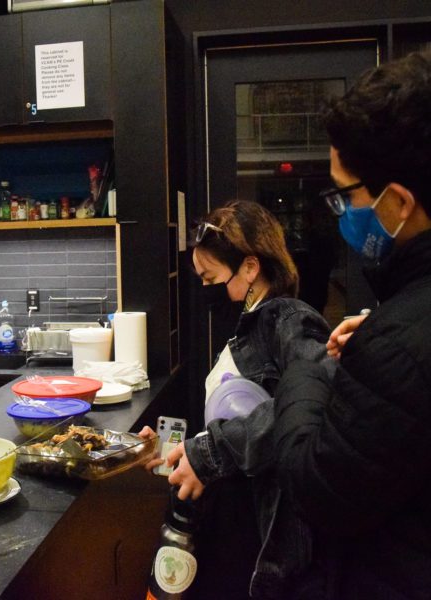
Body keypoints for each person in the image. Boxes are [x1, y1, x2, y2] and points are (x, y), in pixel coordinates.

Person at [273, 50, 431, 598]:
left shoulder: (399, 344)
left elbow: (316, 489)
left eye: (348, 194)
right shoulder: (401, 325)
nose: (343, 212)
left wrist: (306, 362)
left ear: (400, 202)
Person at [141, 200, 335, 598]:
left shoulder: (288, 319)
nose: (207, 290)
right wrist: (176, 453)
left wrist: (208, 453)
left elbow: (313, 405)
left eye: (211, 278)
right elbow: (235, 423)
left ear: (250, 266)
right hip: (233, 522)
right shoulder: (246, 330)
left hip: (260, 534)